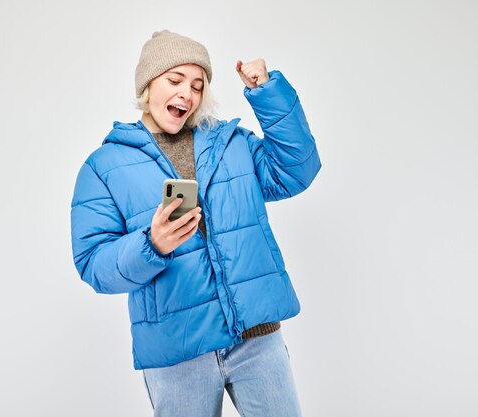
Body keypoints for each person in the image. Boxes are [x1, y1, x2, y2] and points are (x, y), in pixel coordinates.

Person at [70, 30, 321, 417]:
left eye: (197, 85)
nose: (187, 94)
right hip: (178, 352)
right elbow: (94, 264)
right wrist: (150, 244)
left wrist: (269, 94)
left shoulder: (231, 143)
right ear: (147, 84)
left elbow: (296, 171)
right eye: (175, 80)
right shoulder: (103, 167)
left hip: (256, 339)